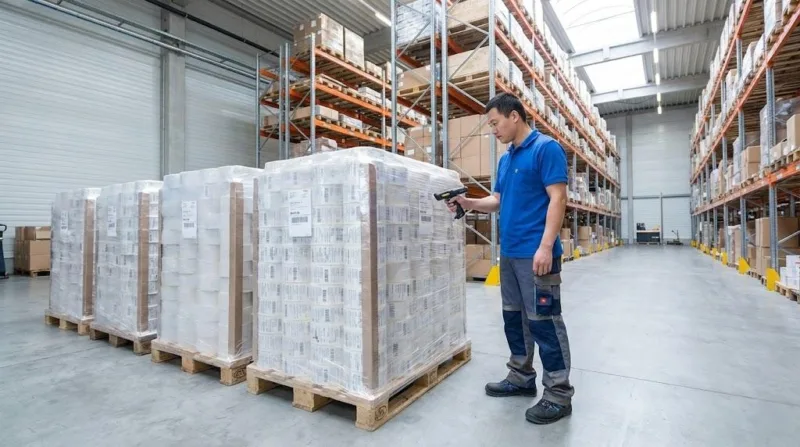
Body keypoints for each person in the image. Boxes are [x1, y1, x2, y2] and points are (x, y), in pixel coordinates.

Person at [447, 92, 574, 424]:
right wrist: (468, 202)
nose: (493, 130)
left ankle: (559, 394)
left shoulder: (546, 149)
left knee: (544, 322)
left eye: (494, 122)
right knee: (514, 320)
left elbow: (558, 198)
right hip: (511, 255)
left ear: (514, 116)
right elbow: (497, 200)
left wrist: (546, 246)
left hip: (537, 256)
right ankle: (521, 376)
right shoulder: (506, 159)